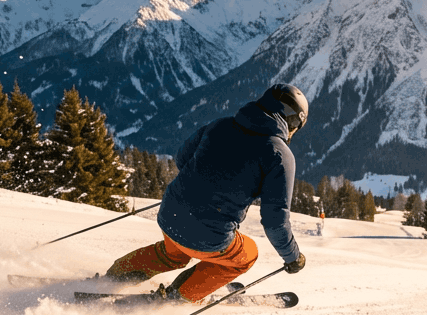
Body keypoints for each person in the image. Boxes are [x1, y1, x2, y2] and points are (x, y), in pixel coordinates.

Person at [105, 83, 309, 303]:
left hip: (170, 213)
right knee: (246, 256)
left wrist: (206, 183)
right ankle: (180, 296)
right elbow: (275, 221)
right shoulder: (279, 155)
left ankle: (112, 278)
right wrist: (293, 257)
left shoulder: (220, 125)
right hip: (210, 235)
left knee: (173, 254)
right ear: (292, 121)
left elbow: (182, 158)